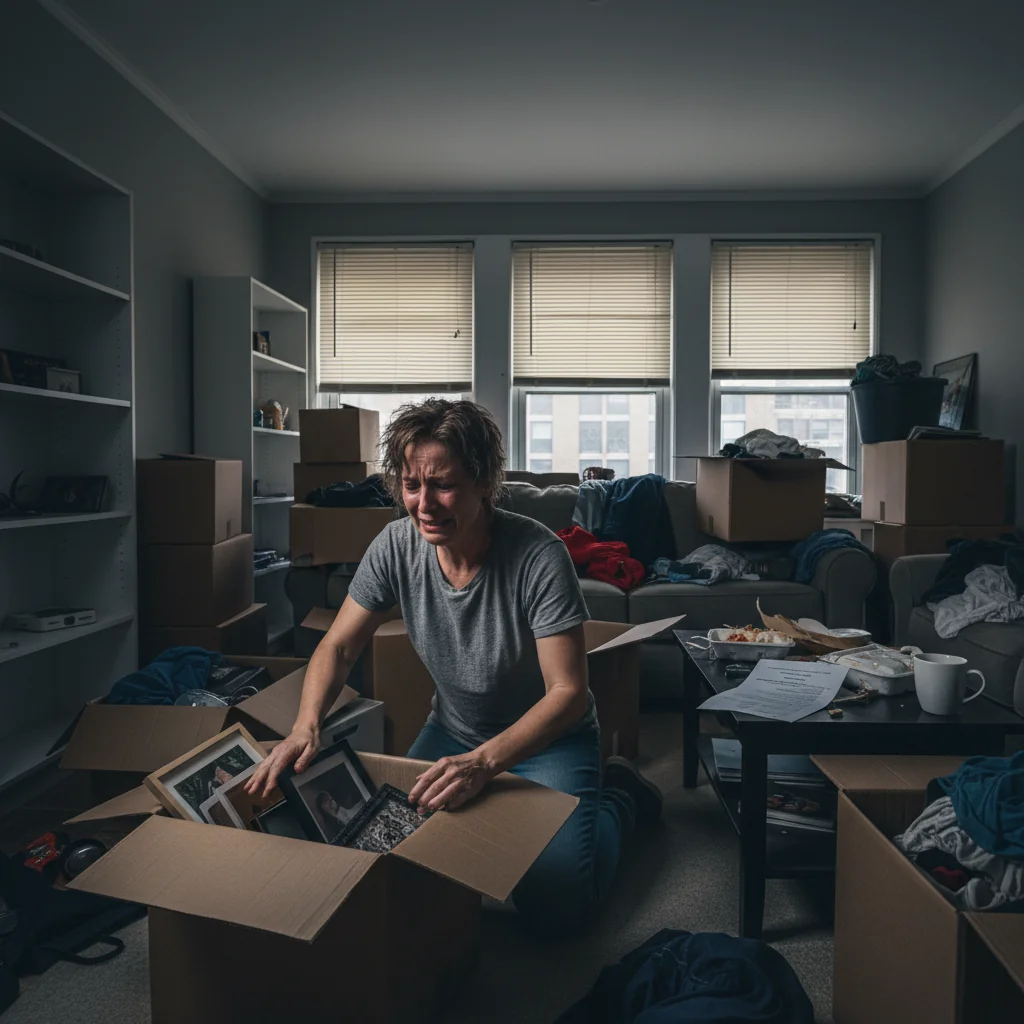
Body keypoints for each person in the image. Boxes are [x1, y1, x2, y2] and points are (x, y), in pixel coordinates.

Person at [246, 398, 661, 937]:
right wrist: (306, 726)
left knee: (557, 906)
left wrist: (483, 765)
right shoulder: (395, 546)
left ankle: (622, 798)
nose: (425, 504)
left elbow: (567, 693)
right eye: (412, 485)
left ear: (485, 482)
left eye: (443, 485)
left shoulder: (538, 556)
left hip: (550, 741)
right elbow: (339, 647)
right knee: (394, 859)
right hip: (453, 732)